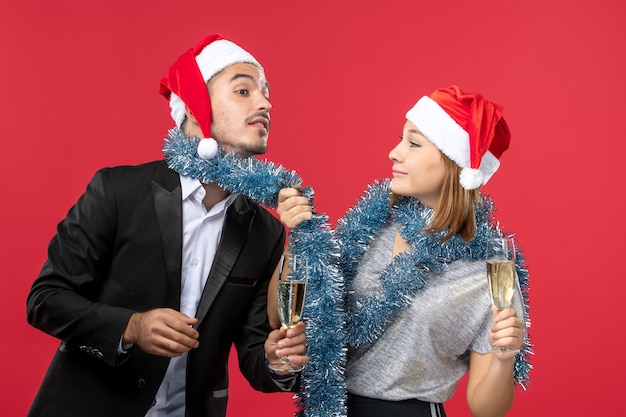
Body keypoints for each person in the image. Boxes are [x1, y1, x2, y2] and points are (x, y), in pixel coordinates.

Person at [26, 33, 308, 417]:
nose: (265, 103)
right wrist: (131, 327)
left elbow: (256, 356)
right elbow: (45, 300)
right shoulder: (118, 191)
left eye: (266, 93)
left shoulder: (266, 231)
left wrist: (277, 359)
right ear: (194, 107)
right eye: (243, 91)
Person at [272, 85, 531, 417]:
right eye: (400, 139)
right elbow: (283, 317)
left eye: (413, 143)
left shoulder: (489, 271)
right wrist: (300, 240)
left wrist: (504, 357)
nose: (394, 153)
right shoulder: (365, 229)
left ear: (455, 164)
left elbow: (486, 409)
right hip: (330, 406)